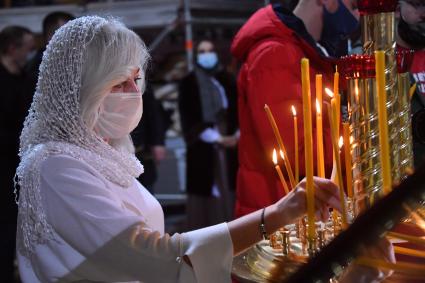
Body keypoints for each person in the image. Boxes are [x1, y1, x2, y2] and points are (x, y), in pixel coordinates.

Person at [14, 15, 393, 283]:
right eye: (117, 84)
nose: (132, 95)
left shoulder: (100, 156)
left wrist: (283, 212)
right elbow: (159, 258)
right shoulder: (55, 166)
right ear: (81, 87)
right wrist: (276, 215)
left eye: (135, 80)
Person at [231, 0, 359, 217]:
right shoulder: (275, 54)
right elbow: (297, 153)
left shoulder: (307, 51)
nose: (357, 16)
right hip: (282, 224)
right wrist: (361, 139)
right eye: (354, 5)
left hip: (300, 214)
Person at [178, 40, 239, 229]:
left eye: (210, 50)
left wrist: (236, 135)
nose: (207, 54)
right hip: (203, 144)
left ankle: (234, 231)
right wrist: (217, 138)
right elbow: (188, 117)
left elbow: (238, 108)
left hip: (230, 141)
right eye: (202, 51)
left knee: (229, 188)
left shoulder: (227, 79)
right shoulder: (189, 82)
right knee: (206, 193)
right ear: (196, 55)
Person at [0, 25, 35, 282]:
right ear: (13, 48)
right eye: (26, 48)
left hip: (20, 160)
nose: (29, 53)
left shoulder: (24, 75)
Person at [395, 0, 425, 168]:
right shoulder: (379, 60)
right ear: (397, 9)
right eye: (417, 4)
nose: (424, 13)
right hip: (403, 173)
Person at [25, 11, 75, 91]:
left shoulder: (73, 60)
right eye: (69, 34)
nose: (74, 40)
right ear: (51, 37)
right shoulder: (36, 69)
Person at [131, 83, 167, 192]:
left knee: (145, 185)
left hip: (140, 144)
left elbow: (152, 110)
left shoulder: (142, 81)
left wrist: (157, 141)